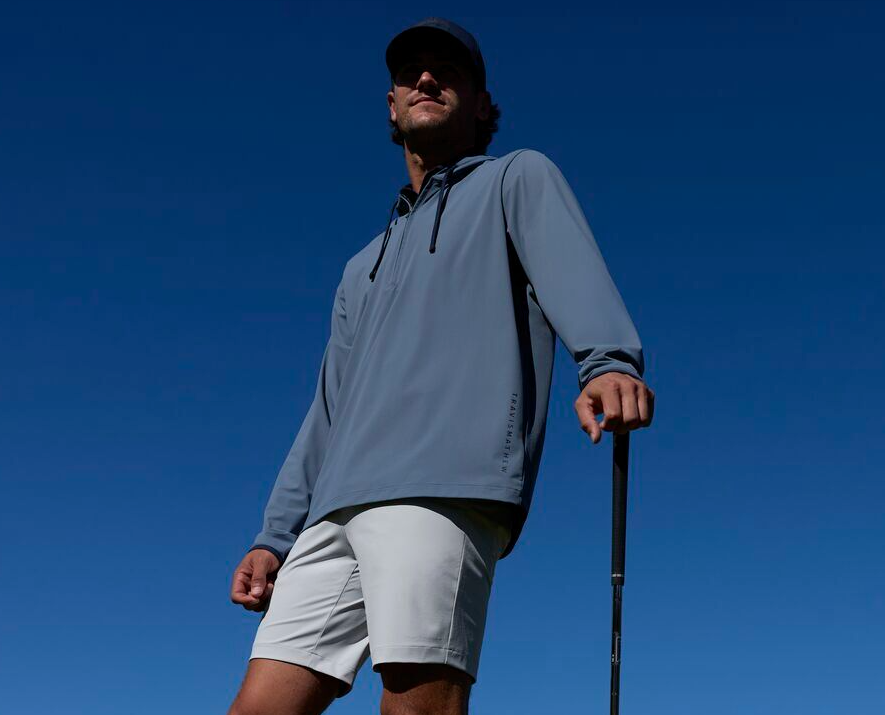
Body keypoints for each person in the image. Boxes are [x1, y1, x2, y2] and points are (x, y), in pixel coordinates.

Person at [226, 17, 655, 715]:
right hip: (332, 511)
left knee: (415, 700)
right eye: (409, 73)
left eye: (447, 70)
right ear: (391, 107)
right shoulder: (360, 265)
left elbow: (571, 273)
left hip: (442, 484)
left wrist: (606, 361)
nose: (426, 79)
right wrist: (274, 535)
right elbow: (327, 408)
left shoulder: (516, 177)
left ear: (485, 107)